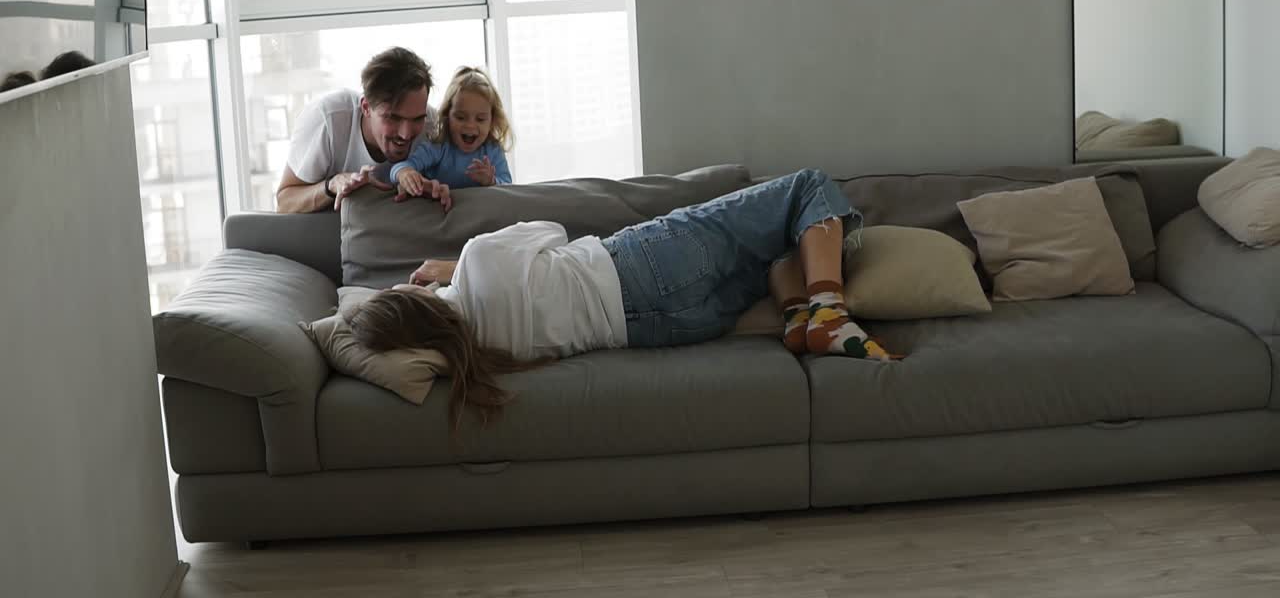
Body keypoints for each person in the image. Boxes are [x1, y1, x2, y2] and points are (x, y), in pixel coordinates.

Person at [344, 169, 896, 430]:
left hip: (667, 328)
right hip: (638, 266)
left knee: (778, 243)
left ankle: (800, 320)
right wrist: (450, 266)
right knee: (806, 189)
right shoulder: (478, 261)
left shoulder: (482, 354)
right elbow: (551, 230)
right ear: (411, 300)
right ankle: (829, 311)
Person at [276, 47, 449, 213]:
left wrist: (435, 192)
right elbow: (284, 202)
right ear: (366, 107)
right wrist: (332, 185)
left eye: (417, 118)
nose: (406, 134)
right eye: (393, 118)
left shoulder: (432, 125)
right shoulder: (327, 120)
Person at [390, 66, 513, 202]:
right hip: (443, 212)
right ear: (447, 116)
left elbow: (510, 188)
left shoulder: (493, 151)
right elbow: (399, 167)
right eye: (460, 117)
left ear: (492, 120)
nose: (470, 125)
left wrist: (491, 181)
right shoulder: (439, 146)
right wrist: (405, 173)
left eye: (480, 119)